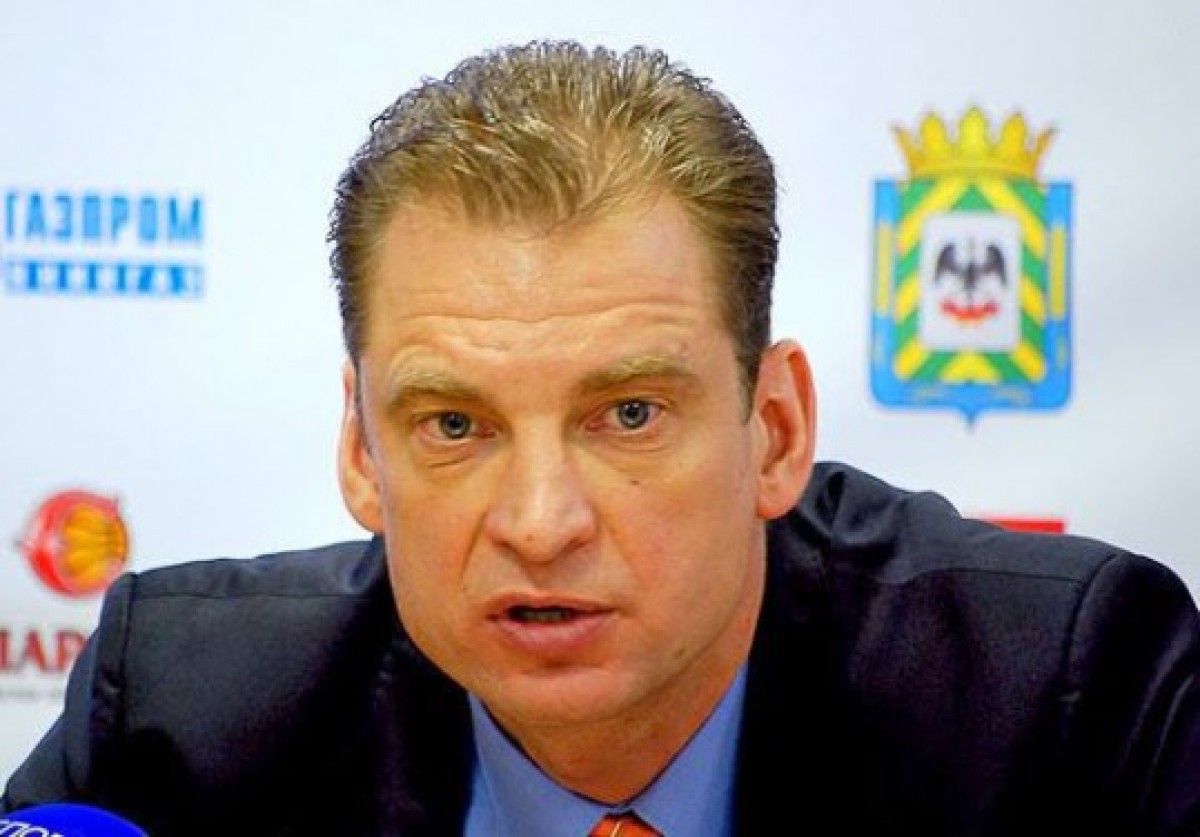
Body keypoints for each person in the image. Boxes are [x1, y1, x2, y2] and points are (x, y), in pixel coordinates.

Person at [3, 40, 1199, 837]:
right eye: (455, 424)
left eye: (629, 415)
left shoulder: (1066, 696)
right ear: (363, 453)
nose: (540, 525)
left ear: (775, 430)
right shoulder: (181, 714)